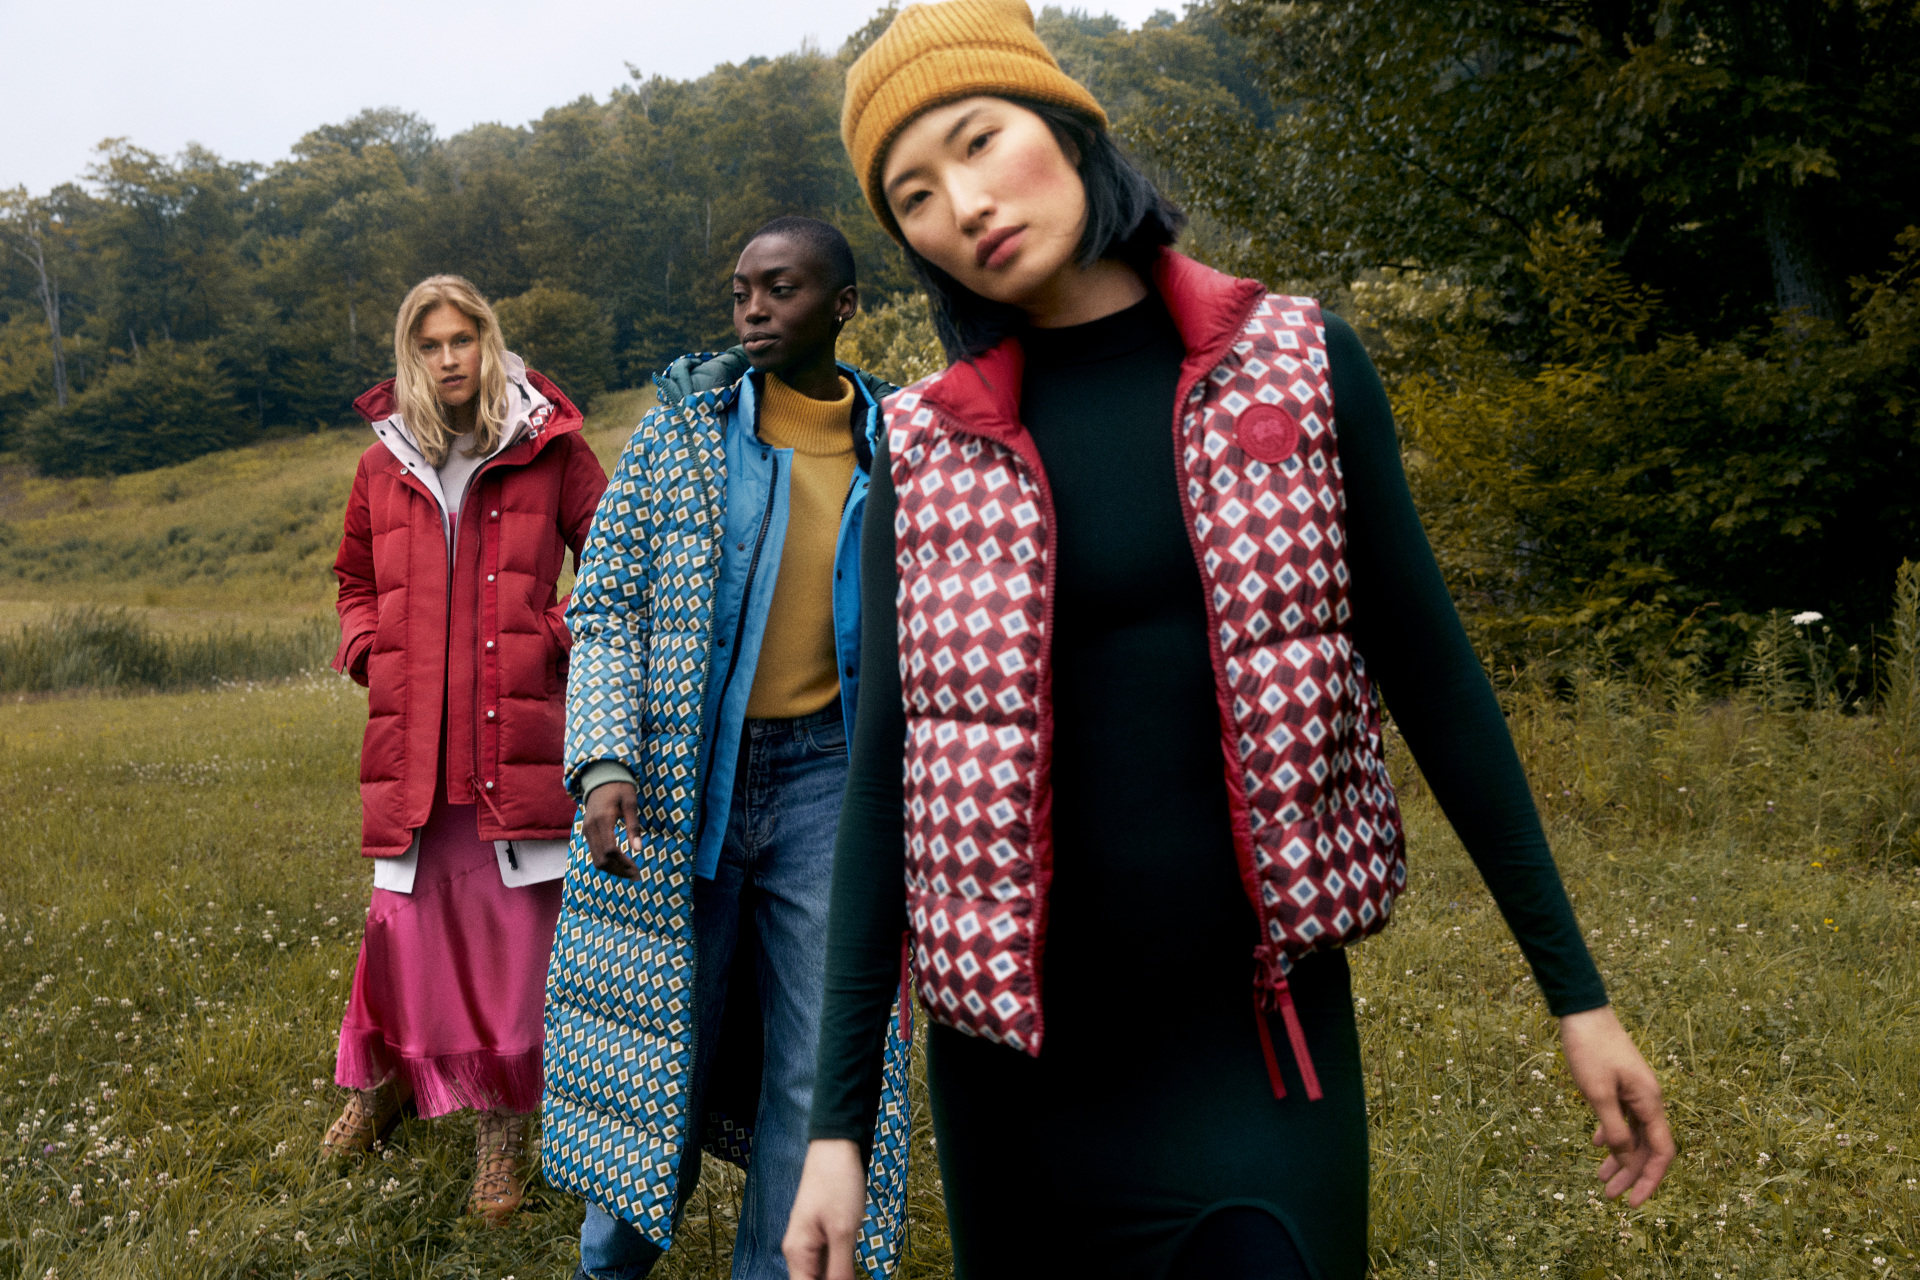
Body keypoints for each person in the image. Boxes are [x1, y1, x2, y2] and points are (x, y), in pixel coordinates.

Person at [784, 4, 1678, 1279]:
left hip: (1256, 1053)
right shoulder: (921, 450)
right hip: (1019, 1094)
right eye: (914, 196)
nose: (963, 204)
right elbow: (886, 785)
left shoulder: (1298, 369)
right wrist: (836, 1128)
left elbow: (1438, 681)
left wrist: (1576, 995)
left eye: (981, 141)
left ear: (1068, 125)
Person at [542, 217, 912, 1280]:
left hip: (830, 785)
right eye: (740, 289)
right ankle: (608, 1267)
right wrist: (605, 760)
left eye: (780, 288)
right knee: (659, 1049)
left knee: (821, 1057)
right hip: (677, 779)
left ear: (842, 304)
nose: (751, 308)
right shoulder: (679, 436)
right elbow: (604, 603)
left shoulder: (904, 447)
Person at [324, 274, 608, 1226]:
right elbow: (354, 581)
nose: (448, 359)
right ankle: (385, 1086)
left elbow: (615, 561)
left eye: (463, 340)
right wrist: (370, 646)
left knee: (510, 947)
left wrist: (551, 635)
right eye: (430, 344)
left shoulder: (550, 449)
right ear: (411, 354)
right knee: (399, 932)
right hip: (414, 747)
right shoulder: (382, 466)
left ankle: (500, 1131)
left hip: (513, 747)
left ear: (488, 343)